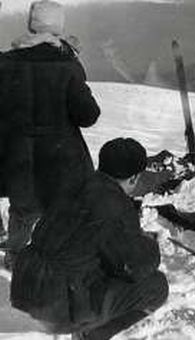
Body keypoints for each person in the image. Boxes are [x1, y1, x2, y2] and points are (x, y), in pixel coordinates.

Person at [10, 138, 169, 340]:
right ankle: (92, 335)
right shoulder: (116, 205)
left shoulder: (72, 184)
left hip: (24, 284)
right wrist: (149, 244)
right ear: (133, 179)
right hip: (56, 305)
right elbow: (134, 266)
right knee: (156, 286)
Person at [0, 0, 100, 264]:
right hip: (60, 159)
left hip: (17, 156)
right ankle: (57, 259)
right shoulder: (68, 65)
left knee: (21, 209)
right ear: (59, 27)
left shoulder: (4, 63)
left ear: (30, 25)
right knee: (61, 209)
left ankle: (15, 257)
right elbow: (88, 116)